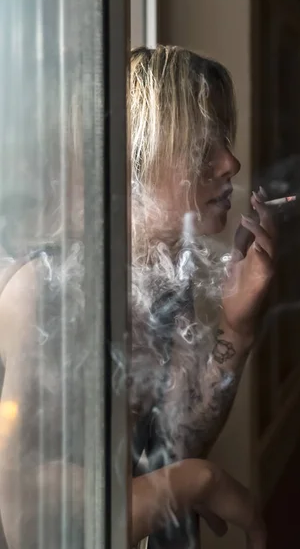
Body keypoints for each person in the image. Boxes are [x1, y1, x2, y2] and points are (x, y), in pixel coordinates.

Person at [0, 45, 274, 549]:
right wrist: (196, 482)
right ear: (134, 160)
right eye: (203, 144)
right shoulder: (43, 292)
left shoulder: (164, 284)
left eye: (225, 140)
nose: (231, 162)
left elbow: (176, 442)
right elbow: (30, 523)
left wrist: (237, 327)